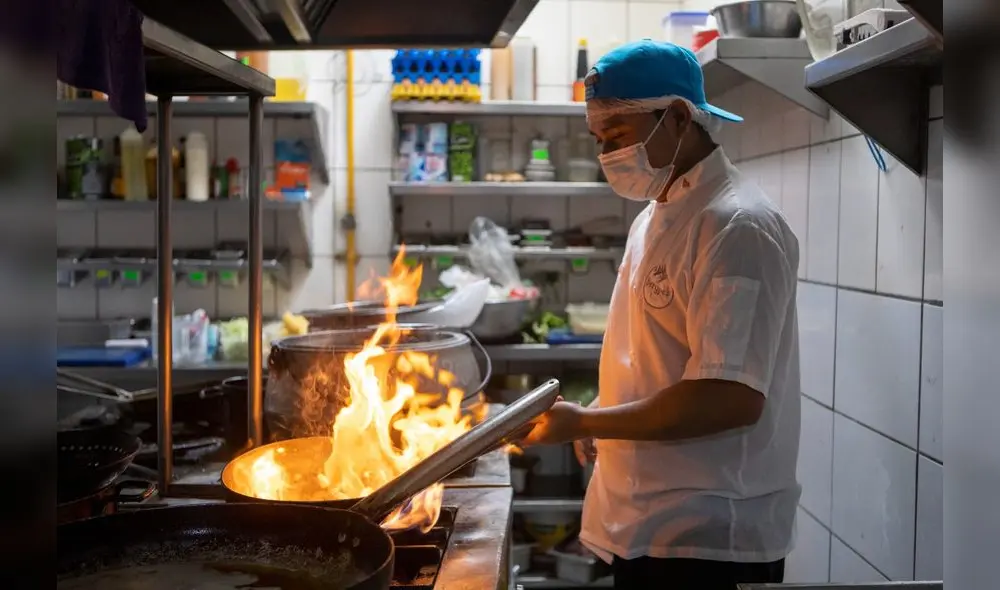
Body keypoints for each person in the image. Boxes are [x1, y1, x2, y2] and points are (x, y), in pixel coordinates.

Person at [521, 39, 802, 590]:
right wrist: (604, 410)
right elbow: (660, 352)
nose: (607, 156)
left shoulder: (736, 226)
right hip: (649, 522)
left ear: (677, 116)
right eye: (600, 140)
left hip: (709, 537)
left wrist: (586, 422)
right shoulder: (656, 215)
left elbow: (730, 396)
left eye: (618, 137)